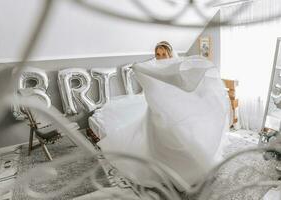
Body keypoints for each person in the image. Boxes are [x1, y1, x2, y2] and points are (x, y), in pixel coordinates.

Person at [95, 42, 229, 190]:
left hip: (172, 110)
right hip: (156, 112)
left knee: (181, 138)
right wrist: (138, 68)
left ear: (169, 54)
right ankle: (165, 170)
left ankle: (189, 168)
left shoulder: (175, 67)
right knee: (159, 143)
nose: (160, 57)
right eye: (157, 54)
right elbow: (152, 85)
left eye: (163, 54)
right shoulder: (154, 67)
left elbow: (181, 86)